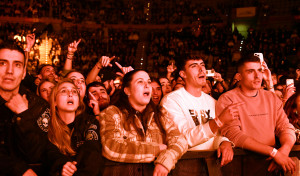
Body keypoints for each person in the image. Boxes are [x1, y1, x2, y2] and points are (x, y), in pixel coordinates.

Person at [216, 54, 296, 175]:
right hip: (242, 164)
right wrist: (274, 152)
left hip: (272, 163)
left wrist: (284, 150)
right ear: (239, 76)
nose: (257, 75)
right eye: (250, 71)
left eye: (259, 70)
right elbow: (234, 135)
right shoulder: (228, 99)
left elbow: (285, 127)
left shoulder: (271, 98)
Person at [161, 56, 240, 176]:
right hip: (184, 165)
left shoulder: (212, 101)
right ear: (183, 74)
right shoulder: (171, 100)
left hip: (212, 164)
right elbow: (183, 138)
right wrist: (218, 122)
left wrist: (224, 142)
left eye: (202, 65)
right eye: (194, 66)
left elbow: (215, 136)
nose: (201, 69)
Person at [99, 69, 188, 176]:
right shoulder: (112, 112)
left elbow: (180, 140)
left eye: (149, 82)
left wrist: (167, 159)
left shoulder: (160, 113)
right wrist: (156, 149)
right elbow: (111, 147)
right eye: (140, 82)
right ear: (127, 90)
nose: (147, 85)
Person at [0, 41, 50, 175]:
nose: (9, 71)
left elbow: (36, 154)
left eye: (17, 65)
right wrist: (19, 170)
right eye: (2, 63)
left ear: (23, 73)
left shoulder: (39, 106)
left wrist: (24, 114)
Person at [47, 79, 103, 176]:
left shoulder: (89, 122)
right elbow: (50, 153)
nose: (70, 94)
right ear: (54, 101)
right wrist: (61, 165)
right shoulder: (47, 126)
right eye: (63, 91)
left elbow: (92, 153)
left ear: (78, 101)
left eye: (74, 91)